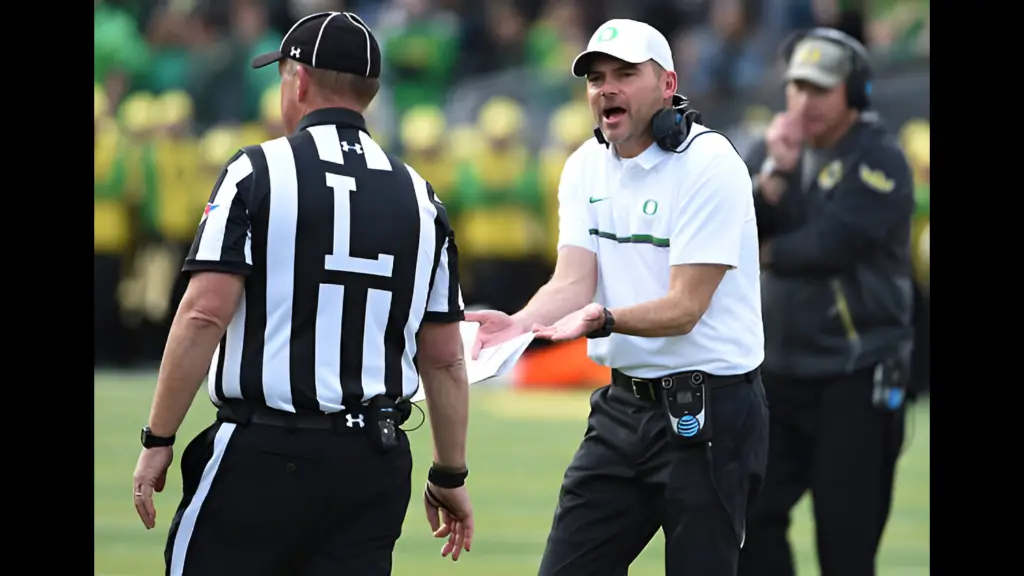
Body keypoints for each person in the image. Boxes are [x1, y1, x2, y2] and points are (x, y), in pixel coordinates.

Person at [131, 11, 474, 575]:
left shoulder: (256, 170)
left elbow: (202, 315)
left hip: (265, 450)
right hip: (373, 460)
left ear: (299, 79)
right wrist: (449, 473)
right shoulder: (421, 196)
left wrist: (159, 435)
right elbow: (444, 357)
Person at [468, 18, 769, 575]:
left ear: (668, 84)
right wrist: (521, 324)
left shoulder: (710, 163)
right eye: (596, 77)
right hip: (621, 408)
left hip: (712, 411)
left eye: (626, 73)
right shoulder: (584, 166)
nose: (606, 87)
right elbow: (571, 281)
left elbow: (685, 309)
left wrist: (603, 320)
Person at [737, 28, 914, 576]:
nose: (803, 102)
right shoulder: (771, 150)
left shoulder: (880, 157)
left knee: (846, 545)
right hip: (779, 375)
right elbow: (729, 228)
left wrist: (760, 251)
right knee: (748, 523)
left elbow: (829, 246)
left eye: (820, 89)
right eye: (796, 88)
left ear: (854, 92)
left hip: (855, 375)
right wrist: (773, 178)